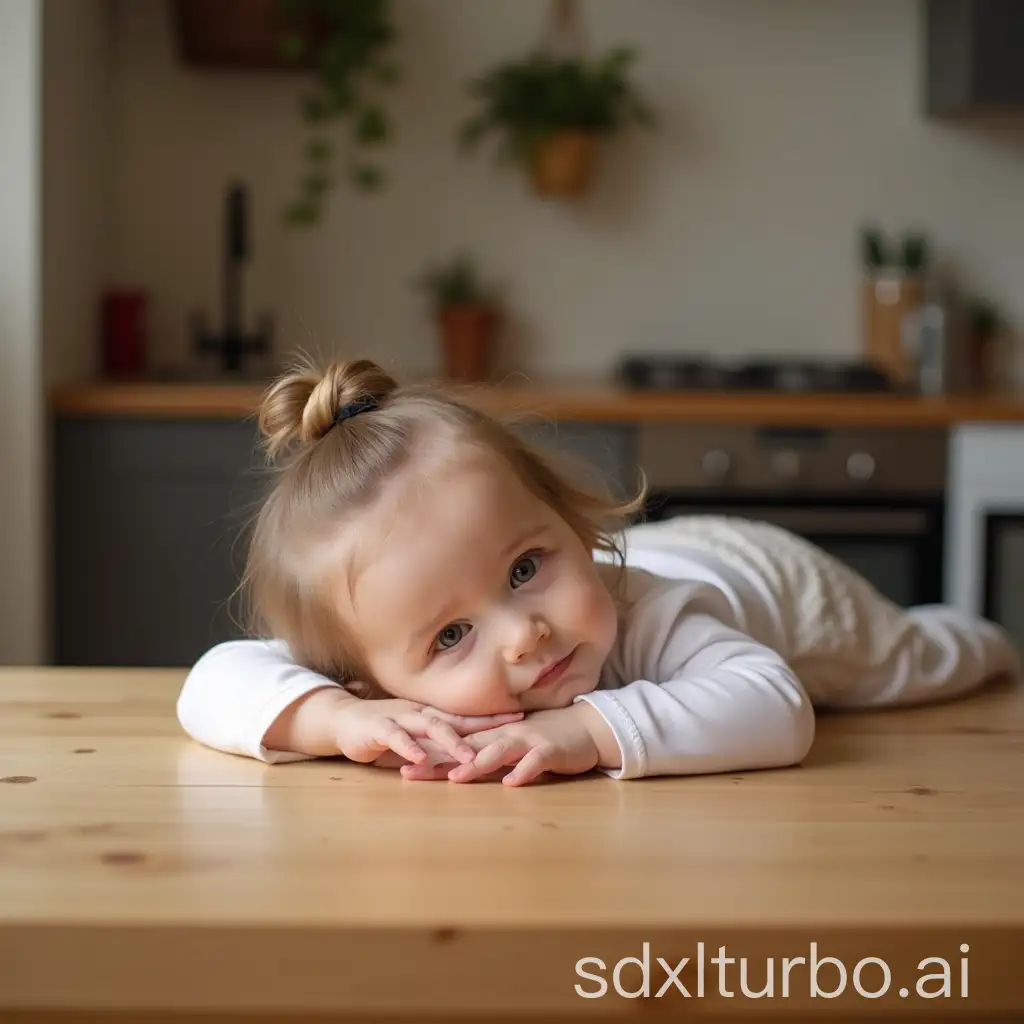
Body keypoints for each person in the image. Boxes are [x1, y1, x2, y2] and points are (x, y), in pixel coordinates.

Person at [176, 356, 1019, 786]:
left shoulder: (654, 620)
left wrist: (582, 732)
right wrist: (332, 722)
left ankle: (989, 635)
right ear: (367, 674)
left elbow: (775, 706)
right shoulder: (361, 677)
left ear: (575, 527)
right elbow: (213, 681)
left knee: (920, 663)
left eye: (526, 567)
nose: (526, 633)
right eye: (453, 635)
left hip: (771, 583)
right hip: (680, 554)